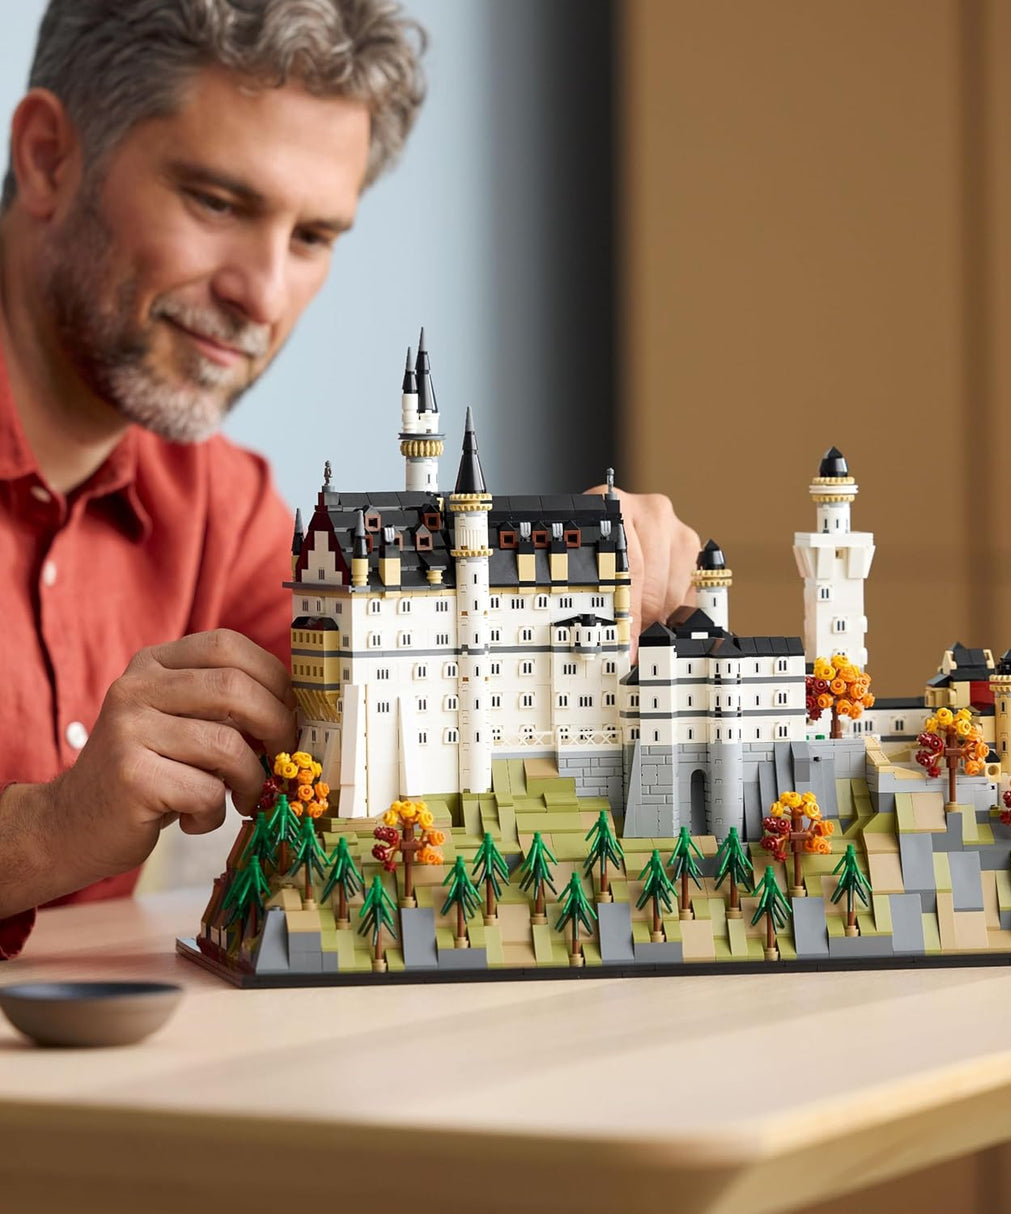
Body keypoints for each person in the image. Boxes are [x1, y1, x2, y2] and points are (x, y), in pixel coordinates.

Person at [0, 0, 700, 959]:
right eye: (217, 202)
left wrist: (569, 573)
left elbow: (408, 686)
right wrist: (41, 832)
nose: (265, 292)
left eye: (313, 237)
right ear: (47, 157)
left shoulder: (220, 506)